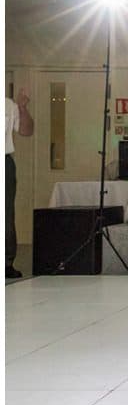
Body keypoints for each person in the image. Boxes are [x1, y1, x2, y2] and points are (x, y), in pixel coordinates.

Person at [6, 88, 34, 279]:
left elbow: (26, 131)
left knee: (6, 213)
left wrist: (22, 108)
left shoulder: (8, 105)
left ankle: (6, 262)